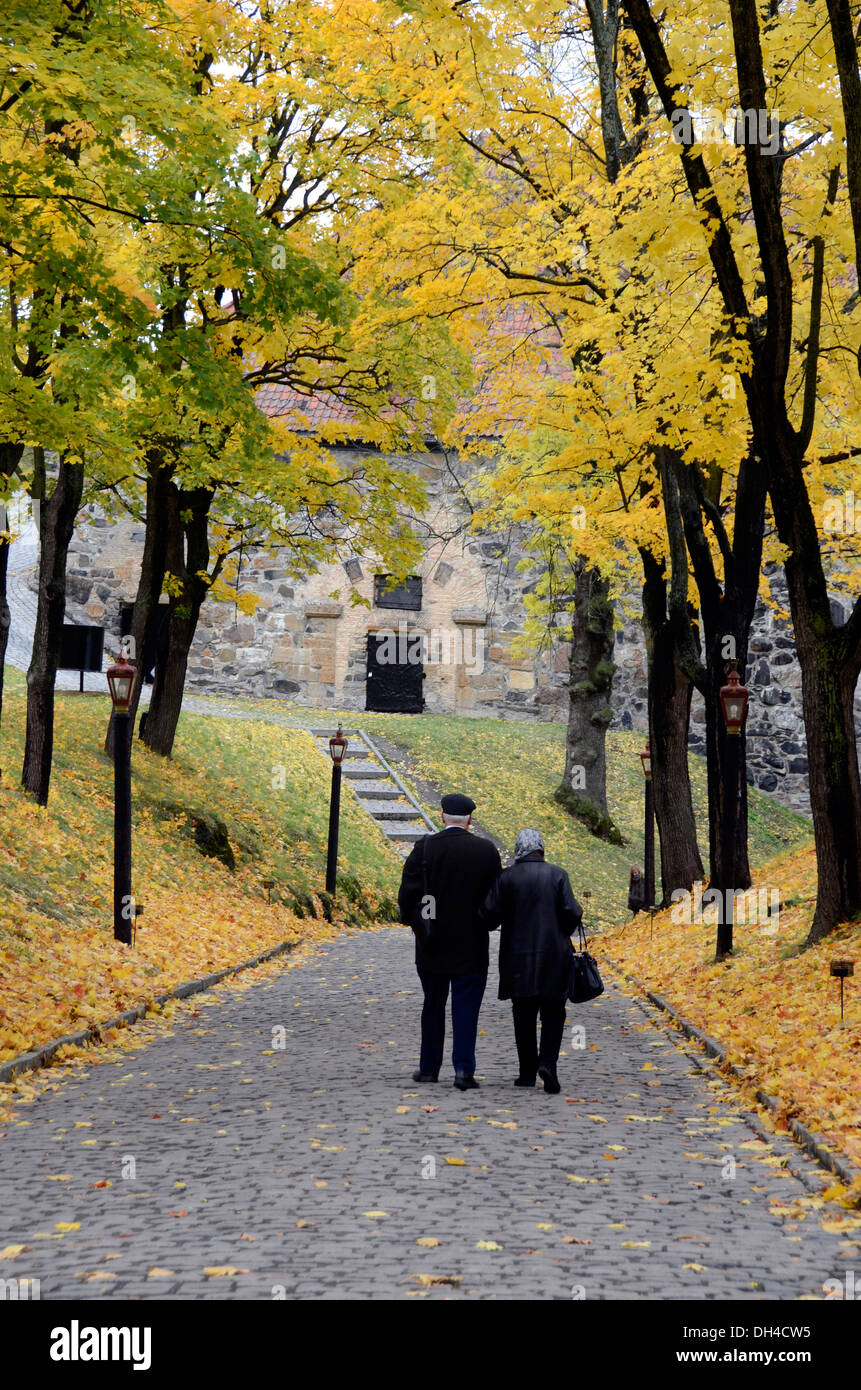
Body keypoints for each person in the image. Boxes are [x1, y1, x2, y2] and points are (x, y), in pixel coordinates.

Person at [398, 793, 501, 1090]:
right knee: (466, 1007)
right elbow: (496, 898)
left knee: (433, 1004)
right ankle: (463, 1070)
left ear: (442, 817)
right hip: (471, 943)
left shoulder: (425, 848)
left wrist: (413, 922)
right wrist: (487, 922)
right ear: (469, 819)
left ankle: (429, 1067)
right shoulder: (485, 851)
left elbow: (408, 893)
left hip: (432, 943)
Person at [480, 828, 582, 1094]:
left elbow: (489, 916)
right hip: (554, 957)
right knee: (553, 1012)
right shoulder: (558, 875)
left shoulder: (506, 878)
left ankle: (527, 1072)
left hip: (518, 959)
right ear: (541, 848)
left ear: (518, 851)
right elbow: (572, 912)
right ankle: (548, 1064)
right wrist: (562, 930)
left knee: (523, 1014)